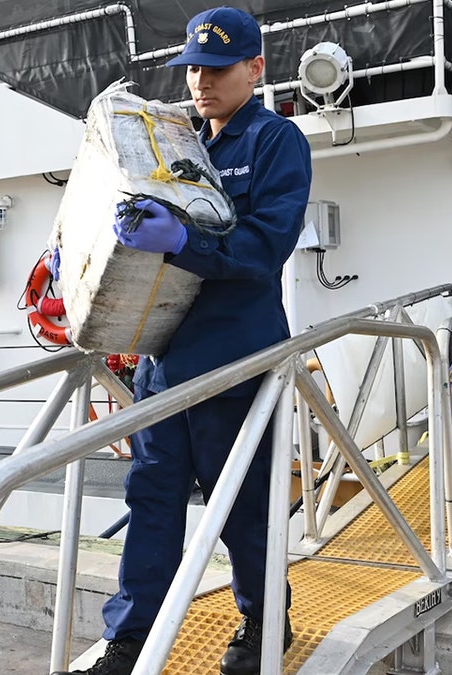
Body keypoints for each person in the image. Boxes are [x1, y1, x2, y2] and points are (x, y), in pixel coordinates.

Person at [54, 7, 312, 675]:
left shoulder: (275, 142)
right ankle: (132, 639)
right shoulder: (172, 138)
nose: (201, 80)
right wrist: (82, 247)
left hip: (237, 361)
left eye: (217, 68)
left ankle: (263, 623)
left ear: (256, 68)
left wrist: (184, 242)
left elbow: (262, 248)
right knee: (152, 502)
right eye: (193, 67)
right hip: (164, 359)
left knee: (247, 508)